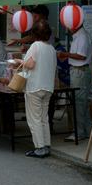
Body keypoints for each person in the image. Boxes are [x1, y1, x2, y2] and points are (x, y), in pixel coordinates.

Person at [13, 20, 56, 158]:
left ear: (34, 34)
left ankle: (39, 147)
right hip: (48, 87)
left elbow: (30, 65)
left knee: (34, 119)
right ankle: (46, 145)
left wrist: (19, 61)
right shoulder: (52, 49)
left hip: (35, 87)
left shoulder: (35, 46)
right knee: (44, 117)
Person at [57, 23, 92, 141]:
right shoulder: (79, 35)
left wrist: (65, 54)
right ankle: (87, 130)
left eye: (69, 25)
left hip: (79, 71)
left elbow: (81, 56)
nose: (67, 28)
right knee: (83, 103)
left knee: (78, 102)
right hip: (78, 71)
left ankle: (79, 132)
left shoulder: (82, 36)